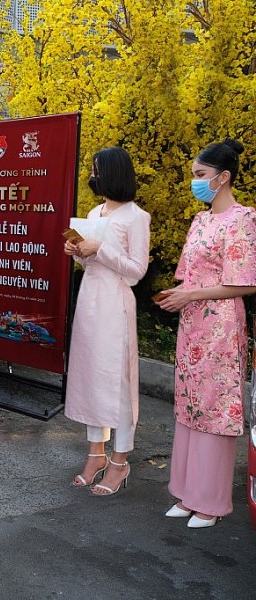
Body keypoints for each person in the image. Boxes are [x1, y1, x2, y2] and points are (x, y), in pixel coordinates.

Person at [156, 138, 256, 528]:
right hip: (192, 322)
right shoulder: (201, 220)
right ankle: (186, 492)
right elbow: (189, 276)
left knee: (215, 406)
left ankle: (210, 502)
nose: (195, 182)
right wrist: (178, 296)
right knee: (189, 403)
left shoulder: (244, 219)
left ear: (224, 177)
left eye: (201, 175)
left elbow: (247, 282)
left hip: (222, 325)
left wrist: (192, 294)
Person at [63, 146, 151, 495]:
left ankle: (120, 459)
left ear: (114, 172)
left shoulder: (136, 217)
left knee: (117, 381)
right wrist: (79, 251)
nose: (93, 175)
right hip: (90, 300)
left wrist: (100, 248)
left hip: (116, 303)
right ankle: (95, 453)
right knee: (90, 377)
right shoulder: (94, 211)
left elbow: (136, 271)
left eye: (98, 170)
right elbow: (92, 261)